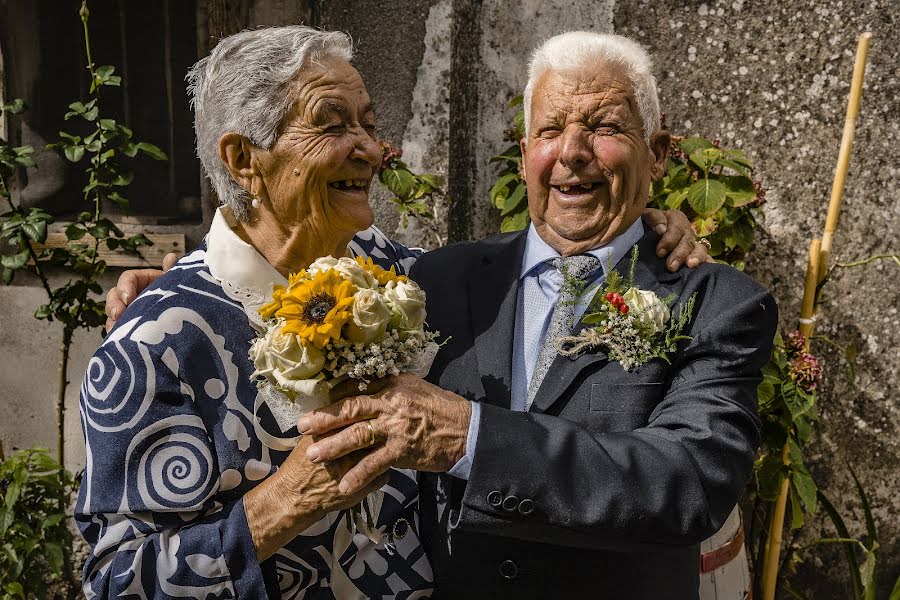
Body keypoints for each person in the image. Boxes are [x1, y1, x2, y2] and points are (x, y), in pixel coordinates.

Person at [88, 26, 708, 599]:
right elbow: (116, 581)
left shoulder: (399, 272)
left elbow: (537, 261)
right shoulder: (155, 343)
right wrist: (284, 503)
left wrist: (641, 227)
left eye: (367, 121)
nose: (369, 148)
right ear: (244, 159)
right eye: (332, 125)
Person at [297, 32, 776, 599]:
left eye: (604, 127)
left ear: (658, 152)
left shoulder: (717, 303)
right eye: (550, 130)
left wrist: (472, 437)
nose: (572, 151)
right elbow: (292, 264)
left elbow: (689, 483)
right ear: (525, 156)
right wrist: (173, 283)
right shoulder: (434, 280)